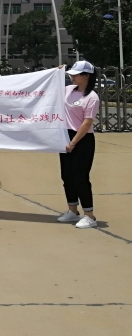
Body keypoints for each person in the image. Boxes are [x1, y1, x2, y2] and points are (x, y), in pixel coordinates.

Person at [56, 61, 100, 229]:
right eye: (71, 74)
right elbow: (51, 87)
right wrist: (58, 72)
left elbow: (87, 123)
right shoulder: (68, 90)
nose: (72, 77)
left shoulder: (92, 97)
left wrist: (73, 142)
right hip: (65, 136)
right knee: (67, 176)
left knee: (80, 177)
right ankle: (73, 211)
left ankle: (90, 215)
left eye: (76, 75)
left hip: (82, 139)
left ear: (86, 76)